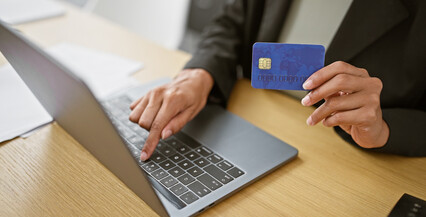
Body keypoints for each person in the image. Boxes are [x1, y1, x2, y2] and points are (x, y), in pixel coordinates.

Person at [129, 0, 426, 160]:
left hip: (348, 160)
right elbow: (232, 21)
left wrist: (385, 128)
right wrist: (200, 73)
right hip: (250, 122)